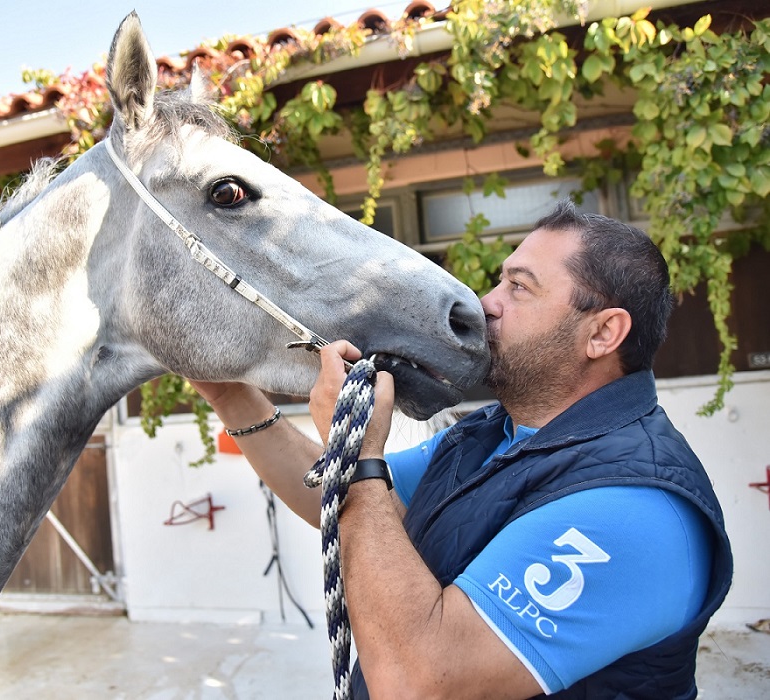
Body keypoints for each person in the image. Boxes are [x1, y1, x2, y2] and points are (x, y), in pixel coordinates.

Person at [190, 200, 733, 699]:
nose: (486, 303)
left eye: (519, 288)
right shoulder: (494, 433)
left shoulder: (637, 509)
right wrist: (229, 394)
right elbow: (334, 499)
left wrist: (356, 457)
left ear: (602, 333)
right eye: (500, 281)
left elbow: (419, 681)